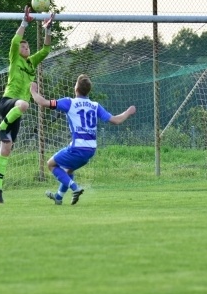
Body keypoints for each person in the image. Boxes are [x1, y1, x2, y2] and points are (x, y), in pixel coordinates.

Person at [30, 75, 136, 205]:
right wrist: (128, 112)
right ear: (88, 91)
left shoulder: (70, 102)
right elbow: (116, 120)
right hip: (91, 149)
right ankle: (58, 197)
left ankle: (75, 188)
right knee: (69, 170)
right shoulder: (95, 105)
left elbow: (43, 102)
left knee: (51, 164)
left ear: (76, 88)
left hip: (78, 147)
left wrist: (33, 91)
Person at [0, 6, 54, 203]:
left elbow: (46, 49)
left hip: (15, 112)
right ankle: (0, 127)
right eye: (24, 47)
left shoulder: (31, 63)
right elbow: (15, 40)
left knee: (7, 149)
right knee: (25, 105)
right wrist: (24, 23)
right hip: (7, 102)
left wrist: (48, 29)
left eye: (27, 47)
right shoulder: (15, 57)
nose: (26, 48)